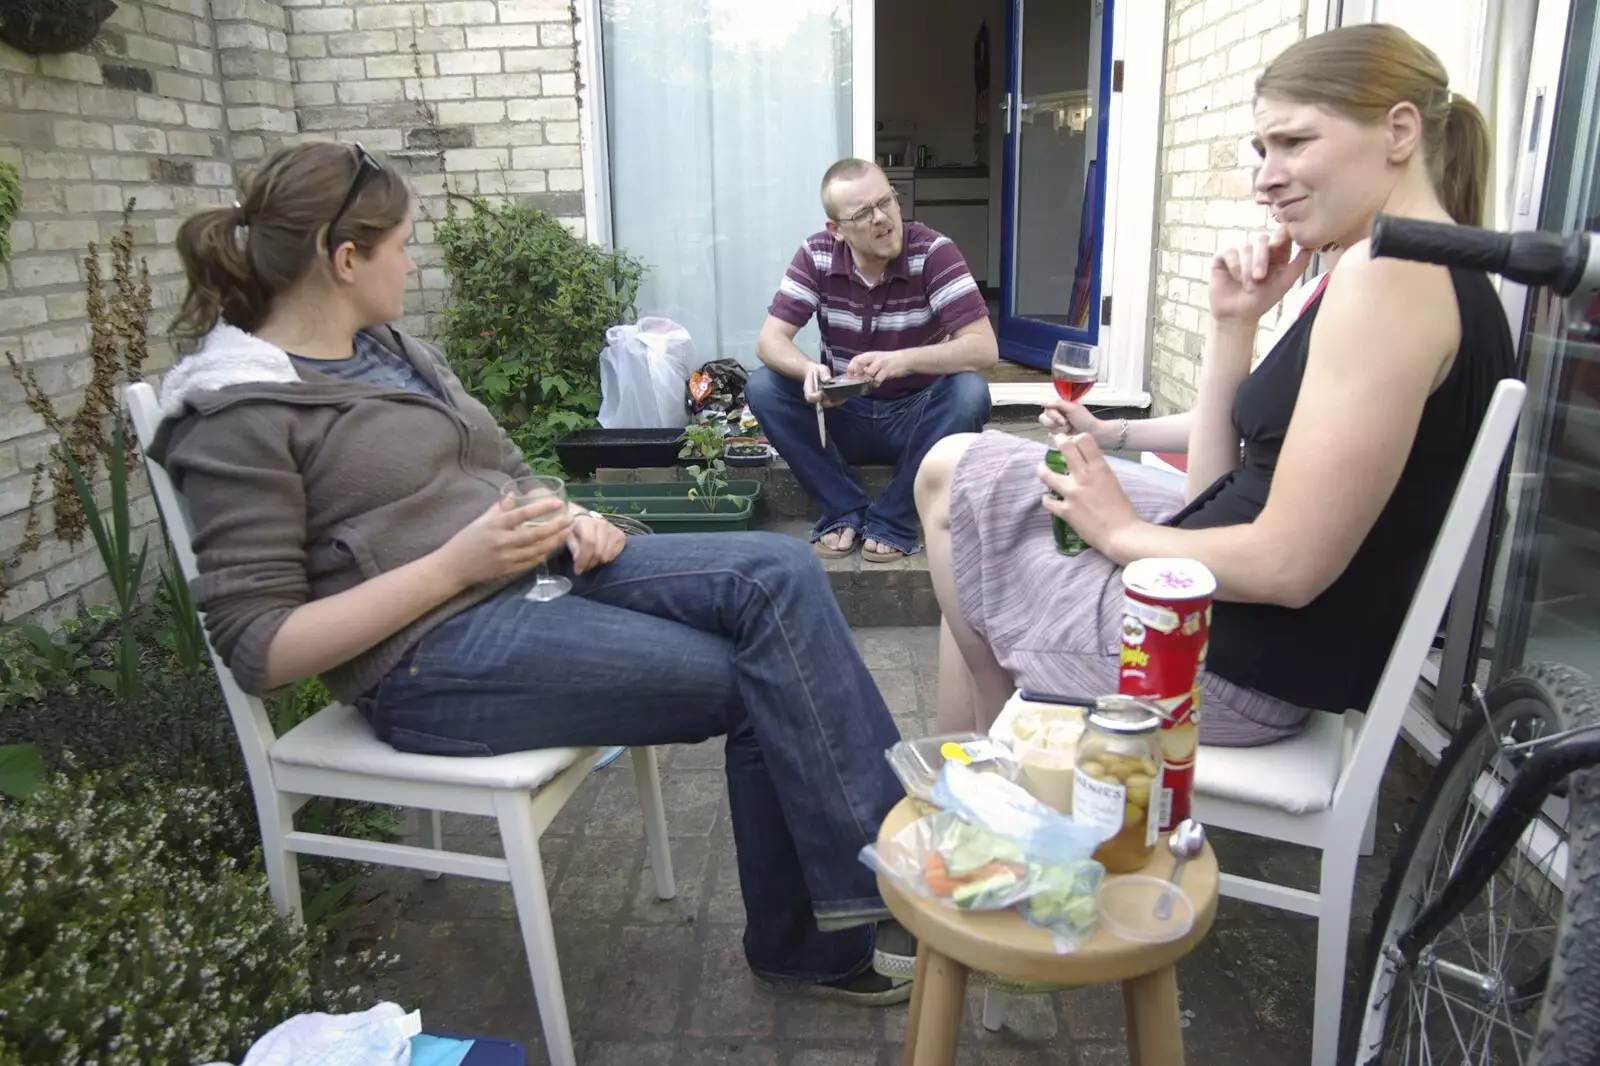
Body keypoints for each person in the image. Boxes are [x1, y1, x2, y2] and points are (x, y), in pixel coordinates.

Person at [148, 141, 916, 1005]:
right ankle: (853, 915)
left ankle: (881, 879)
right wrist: (452, 565)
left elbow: (502, 463)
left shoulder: (388, 349)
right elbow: (260, 647)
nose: (413, 259)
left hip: (530, 570)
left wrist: (571, 514)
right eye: (401, 244)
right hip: (427, 657)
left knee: (778, 569)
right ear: (345, 259)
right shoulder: (238, 410)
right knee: (765, 677)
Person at [915, 24, 1515, 744]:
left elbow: (1291, 566)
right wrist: (1235, 326)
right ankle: (986, 771)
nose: (1266, 176)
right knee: (964, 497)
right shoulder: (1427, 267)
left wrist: (1122, 533)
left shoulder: (1390, 278)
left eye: (1294, 142)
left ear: (1399, 131)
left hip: (1217, 663)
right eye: (1264, 150)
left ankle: (994, 788)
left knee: (963, 527)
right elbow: (1217, 492)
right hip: (1229, 626)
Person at [746, 158, 997, 563]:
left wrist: (903, 360)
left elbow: (984, 349)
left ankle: (894, 518)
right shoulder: (817, 254)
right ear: (836, 230)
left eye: (887, 202)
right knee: (763, 386)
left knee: (969, 391)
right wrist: (811, 371)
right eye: (863, 213)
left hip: (917, 419)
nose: (882, 219)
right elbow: (769, 341)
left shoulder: (933, 252)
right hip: (844, 412)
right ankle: (843, 508)